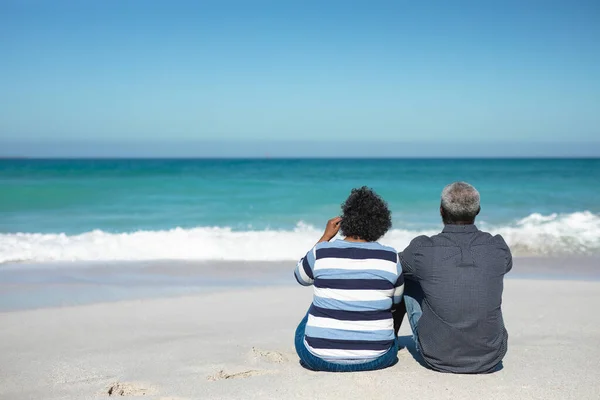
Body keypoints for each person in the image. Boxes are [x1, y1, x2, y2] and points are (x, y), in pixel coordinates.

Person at [394, 181, 512, 374]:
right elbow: (503, 267)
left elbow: (392, 267)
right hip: (491, 357)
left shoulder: (422, 249)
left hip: (436, 355)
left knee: (406, 276)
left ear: (441, 211)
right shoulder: (497, 247)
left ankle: (390, 340)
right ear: (478, 210)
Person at [294, 187, 404, 372]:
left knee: (315, 307)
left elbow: (301, 277)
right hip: (378, 357)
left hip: (317, 358)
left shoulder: (322, 251)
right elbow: (395, 303)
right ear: (381, 223)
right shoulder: (390, 257)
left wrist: (325, 237)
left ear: (346, 219)